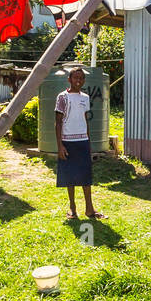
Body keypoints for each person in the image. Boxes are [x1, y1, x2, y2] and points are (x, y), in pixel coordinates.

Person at [55, 64, 99, 221]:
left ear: (84, 80)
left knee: (86, 176)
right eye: (75, 78)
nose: (78, 80)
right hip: (68, 142)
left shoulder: (85, 98)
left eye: (81, 78)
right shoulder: (62, 97)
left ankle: (89, 209)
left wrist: (88, 142)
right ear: (69, 79)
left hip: (82, 141)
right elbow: (58, 122)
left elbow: (85, 120)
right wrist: (60, 145)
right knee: (70, 176)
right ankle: (72, 208)